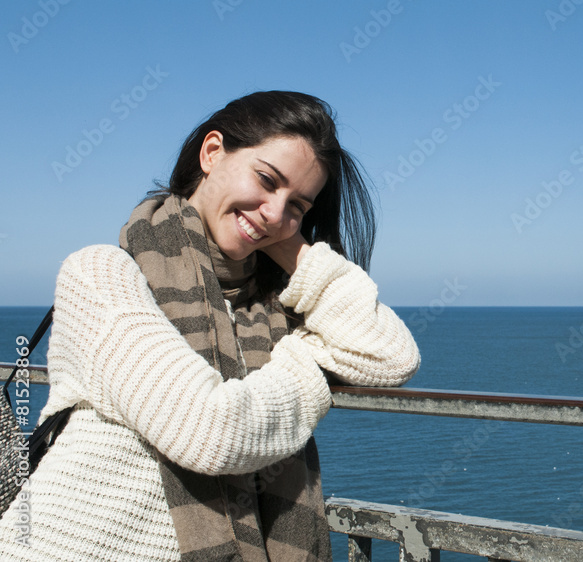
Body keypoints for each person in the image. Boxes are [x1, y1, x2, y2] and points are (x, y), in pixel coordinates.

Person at [0, 91, 420, 560]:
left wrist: (293, 248)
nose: (276, 213)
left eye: (298, 206)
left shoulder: (273, 303)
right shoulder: (100, 275)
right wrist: (311, 357)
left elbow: (393, 354)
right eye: (266, 179)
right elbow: (211, 431)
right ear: (212, 152)